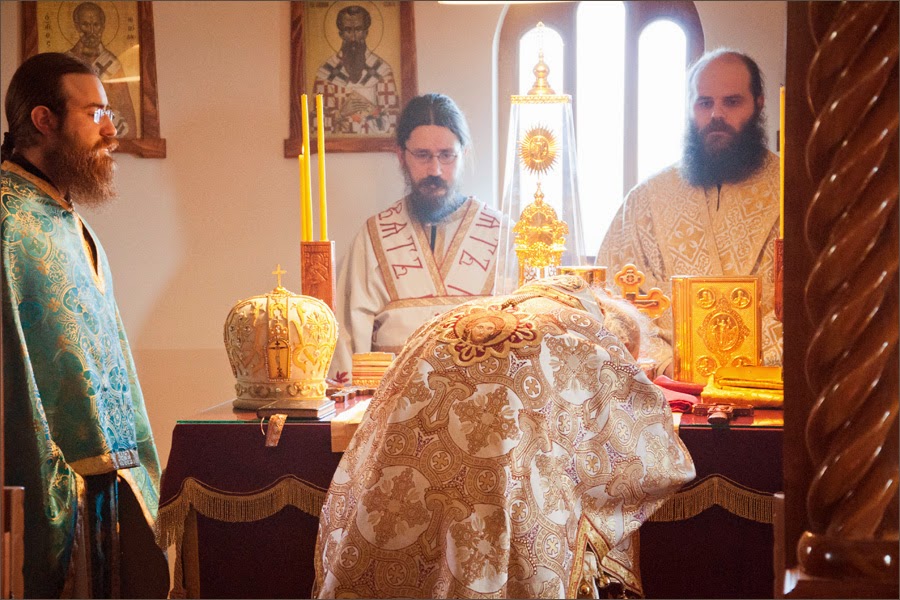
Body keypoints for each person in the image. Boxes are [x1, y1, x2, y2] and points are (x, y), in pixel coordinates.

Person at [314, 274, 696, 598]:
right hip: (503, 490)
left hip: (402, 481)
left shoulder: (452, 316)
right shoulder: (584, 332)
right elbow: (645, 446)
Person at [1, 52, 166, 597]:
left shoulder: (68, 220)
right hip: (48, 492)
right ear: (44, 120)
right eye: (95, 113)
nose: (111, 131)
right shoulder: (8, 221)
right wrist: (45, 484)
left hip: (104, 491)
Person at [597, 48, 782, 376]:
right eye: (705, 103)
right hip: (669, 387)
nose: (716, 115)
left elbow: (812, 301)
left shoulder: (792, 192)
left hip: (767, 382)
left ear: (759, 103)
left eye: (732, 102)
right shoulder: (648, 199)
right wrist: (667, 365)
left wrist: (747, 365)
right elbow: (613, 300)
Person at [332, 93, 503, 380]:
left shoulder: (502, 234)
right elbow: (347, 336)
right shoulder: (374, 237)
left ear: (464, 154)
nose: (435, 170)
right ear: (401, 155)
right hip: (392, 401)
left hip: (483, 399)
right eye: (422, 155)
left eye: (446, 155)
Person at [312, 4, 399, 135]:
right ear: (341, 34)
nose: (353, 37)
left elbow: (394, 121)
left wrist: (370, 110)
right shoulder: (326, 73)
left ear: (366, 33)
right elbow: (314, 124)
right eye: (348, 30)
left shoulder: (381, 70)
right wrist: (341, 114)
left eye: (358, 30)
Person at [66, 1, 138, 138]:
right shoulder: (66, 62)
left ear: (103, 26)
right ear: (77, 26)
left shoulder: (112, 64)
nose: (91, 31)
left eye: (96, 25)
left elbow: (125, 106)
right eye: (85, 24)